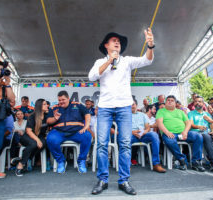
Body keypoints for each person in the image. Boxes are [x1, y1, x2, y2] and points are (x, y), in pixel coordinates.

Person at [88, 28, 154, 195]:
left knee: (124, 144)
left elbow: (147, 60)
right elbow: (92, 77)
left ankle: (124, 180)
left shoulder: (127, 61)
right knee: (102, 144)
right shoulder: (99, 62)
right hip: (104, 107)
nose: (117, 42)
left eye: (118, 41)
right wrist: (110, 60)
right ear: (106, 45)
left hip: (125, 106)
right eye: (113, 40)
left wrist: (150, 46)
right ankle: (102, 180)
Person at [46, 91, 91, 174]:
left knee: (87, 136)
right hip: (59, 132)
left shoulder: (77, 105)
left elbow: (87, 114)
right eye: (59, 100)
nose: (61, 102)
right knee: (50, 139)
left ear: (68, 98)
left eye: (63, 99)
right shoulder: (54, 108)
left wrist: (86, 126)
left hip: (76, 132)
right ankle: (61, 161)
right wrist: (55, 118)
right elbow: (48, 121)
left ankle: (81, 161)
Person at [156, 95, 205, 171]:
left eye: (172, 100)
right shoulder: (161, 111)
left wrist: (185, 132)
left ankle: (196, 162)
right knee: (170, 141)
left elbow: (188, 123)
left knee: (198, 136)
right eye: (168, 100)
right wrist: (167, 132)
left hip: (183, 133)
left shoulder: (180, 112)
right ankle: (182, 160)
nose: (169, 101)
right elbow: (159, 123)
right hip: (170, 133)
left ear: (175, 103)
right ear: (165, 102)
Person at [12, 99, 48, 176]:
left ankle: (24, 158)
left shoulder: (46, 116)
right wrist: (37, 140)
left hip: (40, 136)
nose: (47, 105)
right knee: (34, 144)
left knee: (44, 143)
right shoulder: (32, 116)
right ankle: (21, 164)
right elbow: (28, 131)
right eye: (44, 104)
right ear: (39, 106)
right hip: (28, 136)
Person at [131, 100, 166, 173]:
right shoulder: (125, 116)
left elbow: (148, 127)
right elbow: (122, 129)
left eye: (133, 104)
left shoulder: (142, 115)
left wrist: (145, 132)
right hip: (131, 135)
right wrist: (132, 132)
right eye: (130, 104)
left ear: (136, 105)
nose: (132, 106)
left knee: (154, 135)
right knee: (125, 139)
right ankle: (126, 165)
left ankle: (156, 164)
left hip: (143, 135)